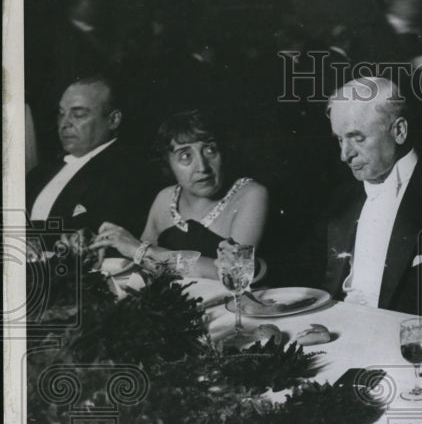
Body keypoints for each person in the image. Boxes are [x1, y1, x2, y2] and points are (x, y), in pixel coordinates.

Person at [316, 76, 422, 320]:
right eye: (339, 139)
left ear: (399, 131)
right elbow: (305, 269)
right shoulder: (344, 198)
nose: (344, 155)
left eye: (357, 138)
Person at [90, 109, 268, 279]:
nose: (202, 167)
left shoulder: (250, 195)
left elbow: (235, 274)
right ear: (167, 163)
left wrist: (143, 250)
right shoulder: (165, 199)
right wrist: (98, 245)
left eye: (210, 150)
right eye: (185, 156)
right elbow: (145, 265)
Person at [27, 76, 155, 236]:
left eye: (78, 114)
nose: (64, 124)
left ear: (113, 120)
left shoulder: (130, 173)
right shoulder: (38, 174)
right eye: (61, 114)